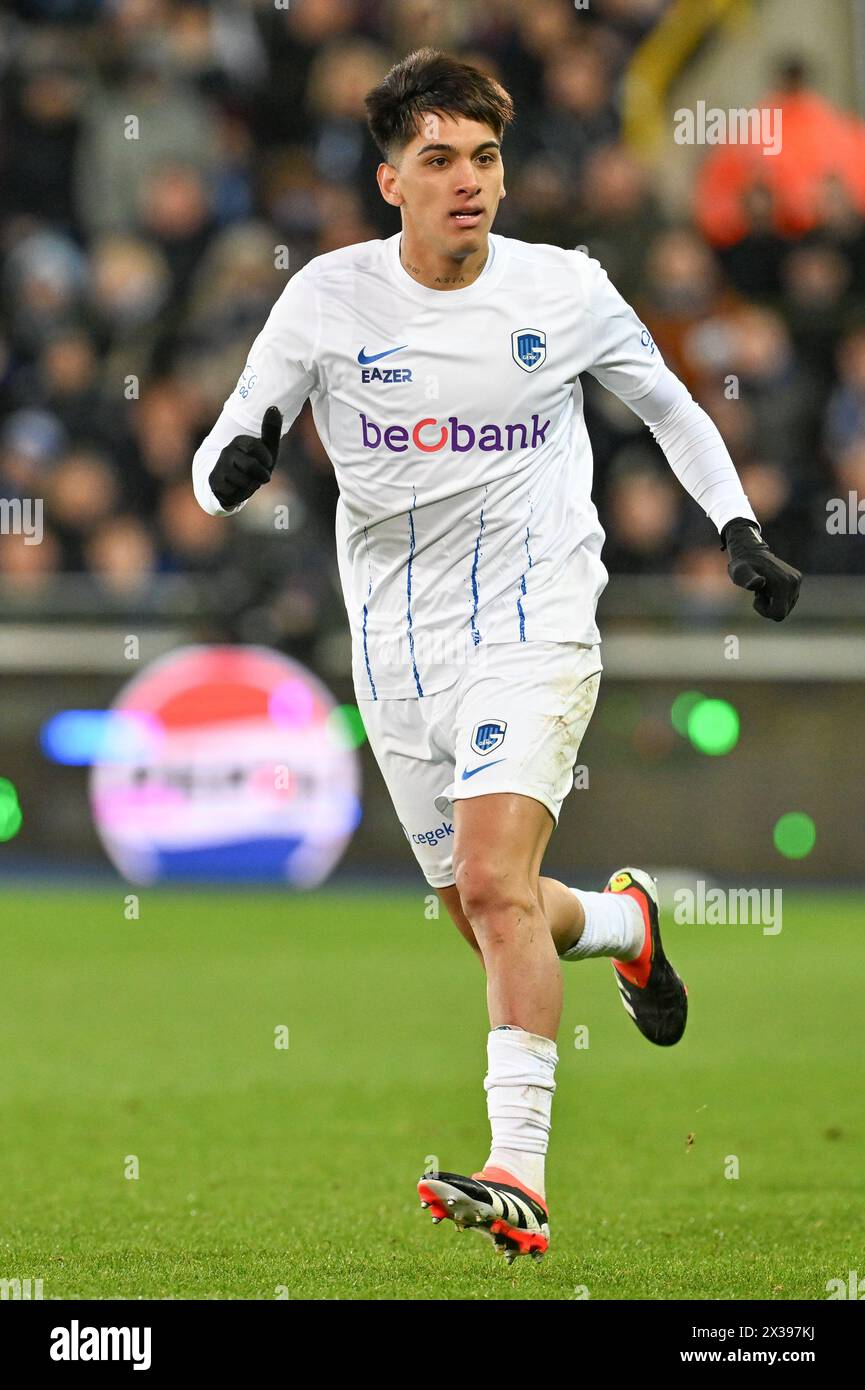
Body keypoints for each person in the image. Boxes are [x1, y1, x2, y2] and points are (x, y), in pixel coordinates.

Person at [191, 49, 801, 1265]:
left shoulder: (563, 288)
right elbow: (222, 452)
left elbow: (671, 404)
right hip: (396, 646)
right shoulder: (324, 299)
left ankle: (514, 1167)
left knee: (487, 876)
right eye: (440, 161)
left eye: (484, 158)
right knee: (481, 906)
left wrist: (736, 525)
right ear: (388, 181)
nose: (468, 182)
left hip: (535, 615)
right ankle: (626, 925)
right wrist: (233, 472)